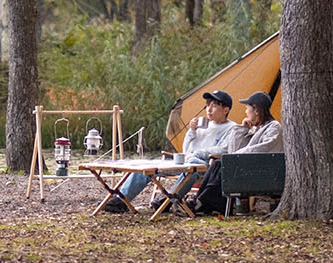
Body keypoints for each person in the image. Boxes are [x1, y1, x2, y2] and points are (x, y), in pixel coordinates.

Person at [101, 90, 237, 213]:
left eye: (214, 106)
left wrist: (198, 154)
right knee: (150, 167)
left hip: (206, 169)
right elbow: (186, 150)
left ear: (226, 109)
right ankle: (122, 199)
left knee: (194, 164)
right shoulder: (203, 125)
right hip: (186, 162)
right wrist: (192, 132)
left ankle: (166, 200)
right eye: (208, 105)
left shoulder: (232, 128)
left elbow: (224, 149)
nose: (209, 109)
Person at [191, 90, 282, 215]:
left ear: (256, 110)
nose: (245, 112)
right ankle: (201, 201)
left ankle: (201, 202)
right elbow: (233, 149)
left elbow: (263, 148)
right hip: (252, 170)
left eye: (247, 108)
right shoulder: (255, 128)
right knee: (218, 164)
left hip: (263, 173)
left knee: (223, 165)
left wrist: (235, 156)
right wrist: (242, 129)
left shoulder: (274, 127)